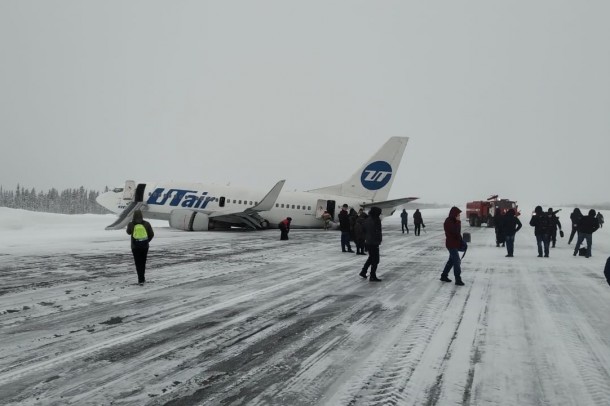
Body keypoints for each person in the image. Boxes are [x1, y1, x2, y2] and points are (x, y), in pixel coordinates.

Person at [126, 209, 154, 285]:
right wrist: (146, 241)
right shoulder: (147, 223)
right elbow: (151, 234)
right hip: (145, 247)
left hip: (135, 247)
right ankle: (143, 278)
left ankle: (140, 279)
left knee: (138, 263)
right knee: (143, 262)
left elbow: (128, 232)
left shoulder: (131, 224)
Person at [440, 206, 465, 285]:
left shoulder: (454, 221)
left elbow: (458, 233)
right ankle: (458, 279)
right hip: (451, 244)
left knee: (451, 261)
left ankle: (444, 275)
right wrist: (458, 222)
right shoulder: (449, 221)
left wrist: (461, 241)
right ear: (454, 214)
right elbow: (455, 232)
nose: (459, 217)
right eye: (458, 215)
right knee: (456, 261)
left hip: (454, 244)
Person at [359, 207, 383, 281]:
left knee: (371, 258)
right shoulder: (374, 220)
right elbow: (376, 232)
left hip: (369, 242)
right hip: (373, 242)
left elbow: (364, 230)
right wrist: (377, 240)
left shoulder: (368, 219)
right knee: (375, 260)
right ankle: (372, 275)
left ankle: (363, 271)